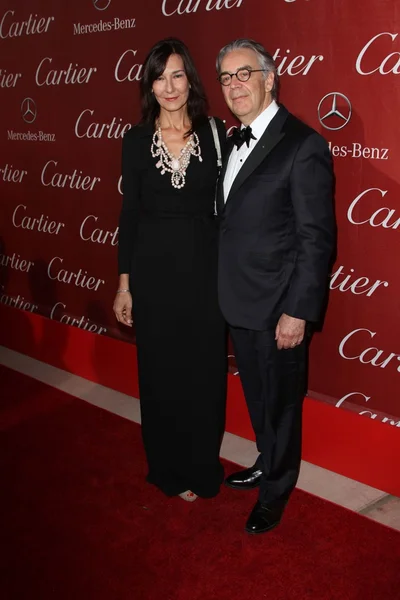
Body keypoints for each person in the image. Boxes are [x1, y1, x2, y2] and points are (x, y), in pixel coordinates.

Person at [215, 39, 335, 533]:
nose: (234, 85)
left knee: (283, 404)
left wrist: (297, 310)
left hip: (278, 306)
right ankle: (267, 460)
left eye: (244, 74)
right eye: (225, 78)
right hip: (238, 299)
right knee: (260, 398)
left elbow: (316, 238)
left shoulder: (303, 144)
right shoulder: (230, 140)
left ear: (269, 78)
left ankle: (277, 491)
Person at [113, 39, 227, 503]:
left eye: (177, 75)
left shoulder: (216, 132)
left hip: (205, 274)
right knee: (160, 375)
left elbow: (227, 209)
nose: (169, 86)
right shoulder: (135, 139)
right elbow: (129, 215)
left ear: (190, 80)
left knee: (203, 374)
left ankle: (202, 465)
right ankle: (167, 466)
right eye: (159, 77)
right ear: (150, 85)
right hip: (153, 276)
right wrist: (125, 285)